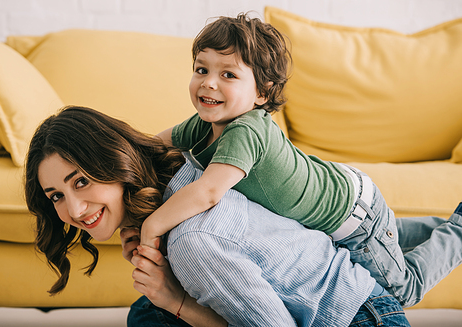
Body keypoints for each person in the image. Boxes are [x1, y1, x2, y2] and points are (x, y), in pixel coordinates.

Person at [139, 13, 462, 308]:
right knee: (386, 241)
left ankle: (457, 230)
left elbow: (208, 192)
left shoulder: (247, 130)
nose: (209, 82)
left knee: (401, 292)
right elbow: (153, 145)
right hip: (346, 196)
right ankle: (410, 232)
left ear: (261, 94)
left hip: (353, 218)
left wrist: (152, 225)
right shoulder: (203, 125)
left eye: (228, 74)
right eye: (201, 69)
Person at [26, 105, 416, 327]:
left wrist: (175, 298)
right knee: (148, 315)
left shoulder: (190, 239)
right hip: (354, 303)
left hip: (361, 324)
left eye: (82, 181)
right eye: (57, 196)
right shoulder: (178, 180)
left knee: (157, 313)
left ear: (113, 161)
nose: (75, 210)